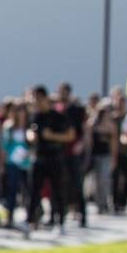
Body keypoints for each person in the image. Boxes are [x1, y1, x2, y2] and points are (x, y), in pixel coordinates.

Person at [26, 85, 74, 233]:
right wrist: (31, 136)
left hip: (55, 157)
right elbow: (30, 131)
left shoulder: (58, 116)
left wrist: (52, 136)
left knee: (58, 190)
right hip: (39, 157)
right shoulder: (35, 116)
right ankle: (30, 221)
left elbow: (70, 135)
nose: (36, 102)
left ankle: (60, 222)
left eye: (38, 98)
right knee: (34, 191)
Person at [56, 83, 89, 227]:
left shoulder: (77, 110)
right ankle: (59, 215)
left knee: (77, 184)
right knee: (60, 185)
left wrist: (81, 144)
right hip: (59, 152)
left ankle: (82, 215)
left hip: (73, 152)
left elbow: (83, 130)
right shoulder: (57, 110)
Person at [0, 102, 33, 231]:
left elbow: (32, 142)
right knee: (11, 191)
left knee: (27, 191)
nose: (20, 113)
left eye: (22, 110)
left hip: (26, 164)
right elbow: (4, 147)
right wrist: (2, 165)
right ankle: (9, 218)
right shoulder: (9, 127)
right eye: (18, 110)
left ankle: (29, 218)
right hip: (12, 163)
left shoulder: (29, 126)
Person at [88, 95, 117, 214]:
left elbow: (113, 143)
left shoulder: (111, 125)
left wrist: (114, 158)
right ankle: (99, 203)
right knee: (95, 181)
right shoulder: (93, 123)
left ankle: (105, 203)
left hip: (106, 155)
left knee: (104, 180)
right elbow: (88, 137)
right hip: (94, 155)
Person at [109, 87, 127, 213]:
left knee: (126, 177)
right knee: (115, 178)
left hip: (125, 152)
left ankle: (123, 202)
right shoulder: (112, 117)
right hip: (114, 152)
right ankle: (115, 202)